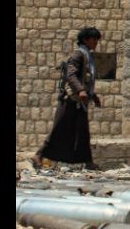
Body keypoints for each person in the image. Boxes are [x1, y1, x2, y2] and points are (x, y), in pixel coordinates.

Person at [32, 27, 103, 170]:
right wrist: (80, 90)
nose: (96, 42)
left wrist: (92, 95)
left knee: (83, 132)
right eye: (93, 39)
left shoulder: (87, 56)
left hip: (80, 102)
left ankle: (88, 161)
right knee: (59, 129)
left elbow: (86, 79)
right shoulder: (78, 55)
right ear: (85, 40)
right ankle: (39, 155)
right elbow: (71, 74)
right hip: (70, 100)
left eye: (97, 39)